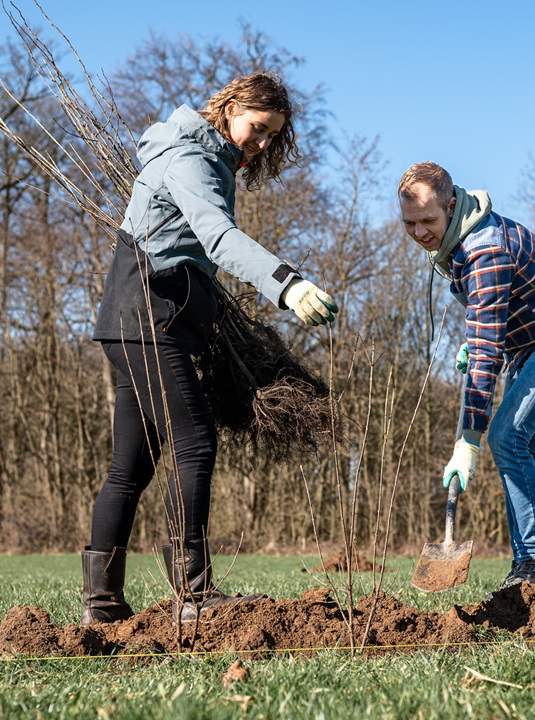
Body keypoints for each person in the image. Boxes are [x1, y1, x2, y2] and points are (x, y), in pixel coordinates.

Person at [83, 72, 338, 625]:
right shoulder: (188, 158)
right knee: (195, 440)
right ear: (231, 108)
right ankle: (194, 595)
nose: (262, 142)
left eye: (272, 136)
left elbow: (192, 249)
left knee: (130, 468)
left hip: (141, 320)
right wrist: (287, 284)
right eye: (258, 128)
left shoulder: (208, 160)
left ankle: (100, 606)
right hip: (147, 319)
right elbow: (218, 239)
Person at [397, 161, 535, 599]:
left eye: (428, 221)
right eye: (409, 223)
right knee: (516, 445)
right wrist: (474, 336)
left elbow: (488, 353)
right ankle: (530, 565)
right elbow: (487, 316)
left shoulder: (484, 251)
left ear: (451, 208)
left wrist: (467, 441)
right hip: (530, 340)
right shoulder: (457, 239)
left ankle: (531, 564)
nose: (419, 233)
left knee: (505, 437)